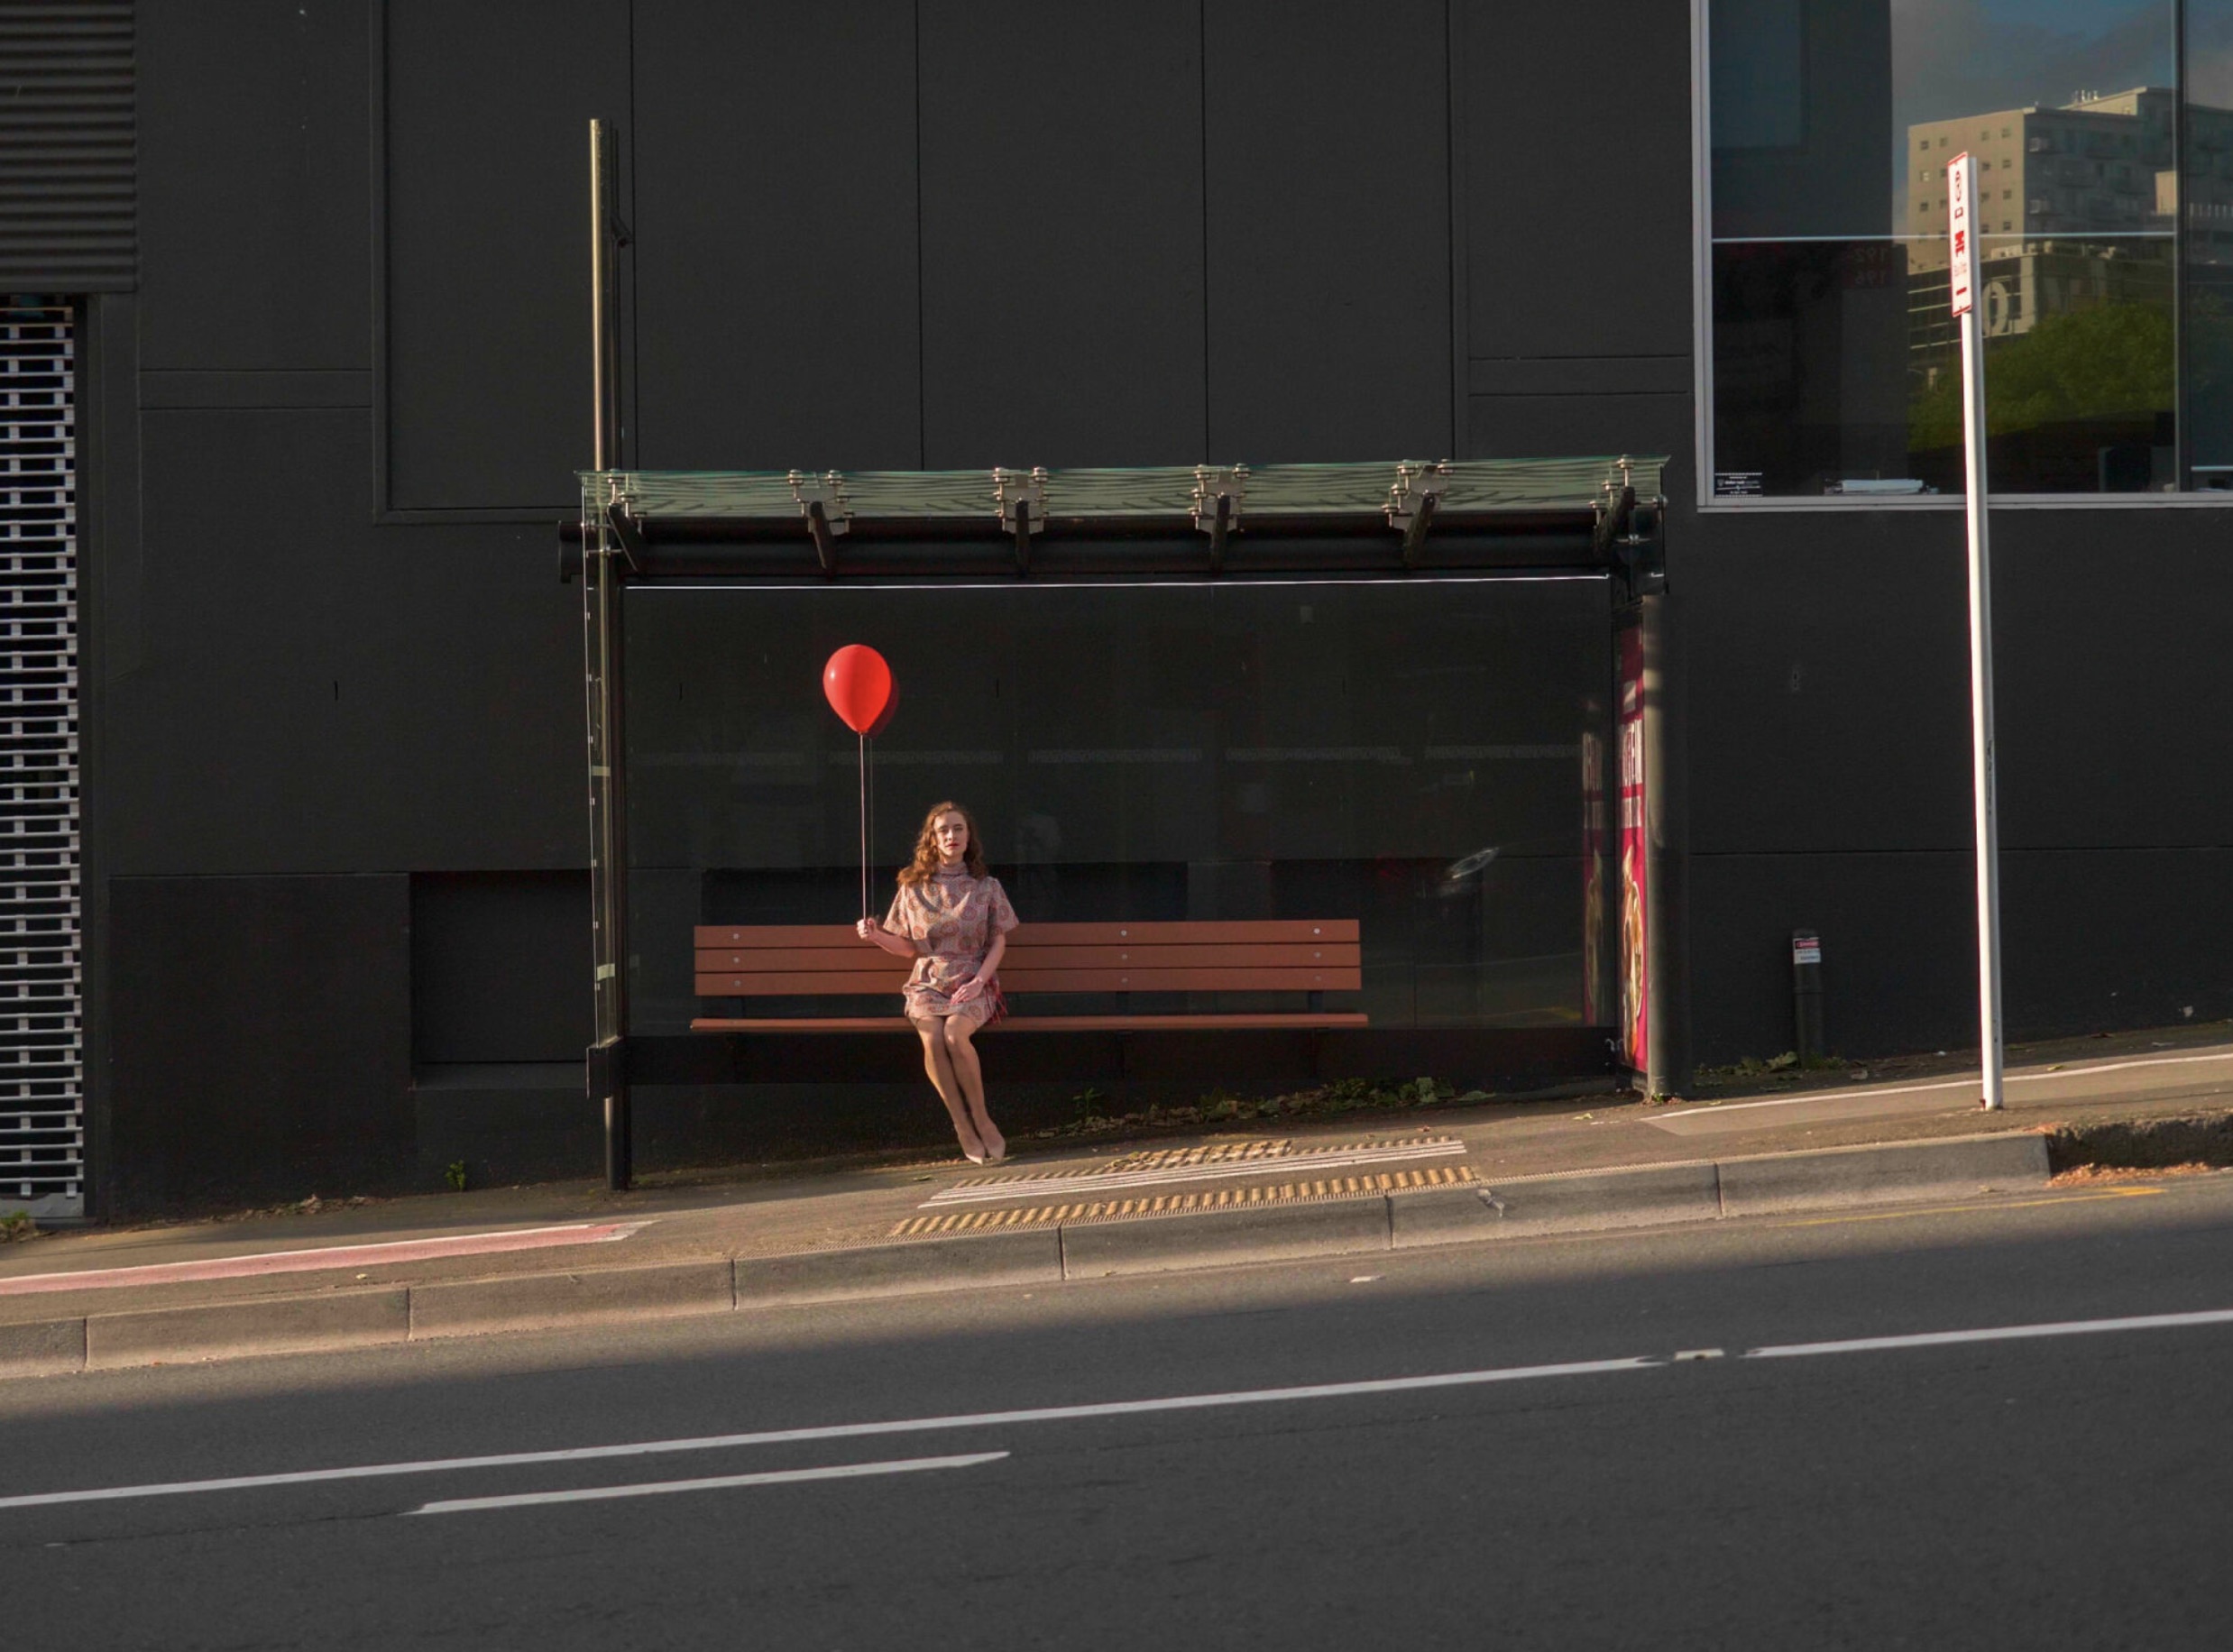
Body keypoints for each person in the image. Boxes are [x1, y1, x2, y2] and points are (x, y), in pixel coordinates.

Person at [857, 801, 1017, 1163]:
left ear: (968, 835)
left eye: (958, 828)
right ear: (932, 839)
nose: (951, 836)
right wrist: (876, 936)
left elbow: (999, 941)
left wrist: (979, 982)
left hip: (971, 978)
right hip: (927, 981)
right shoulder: (913, 887)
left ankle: (982, 1118)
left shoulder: (986, 886)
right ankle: (961, 1124)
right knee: (931, 1036)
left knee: (954, 1035)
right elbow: (906, 948)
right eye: (943, 830)